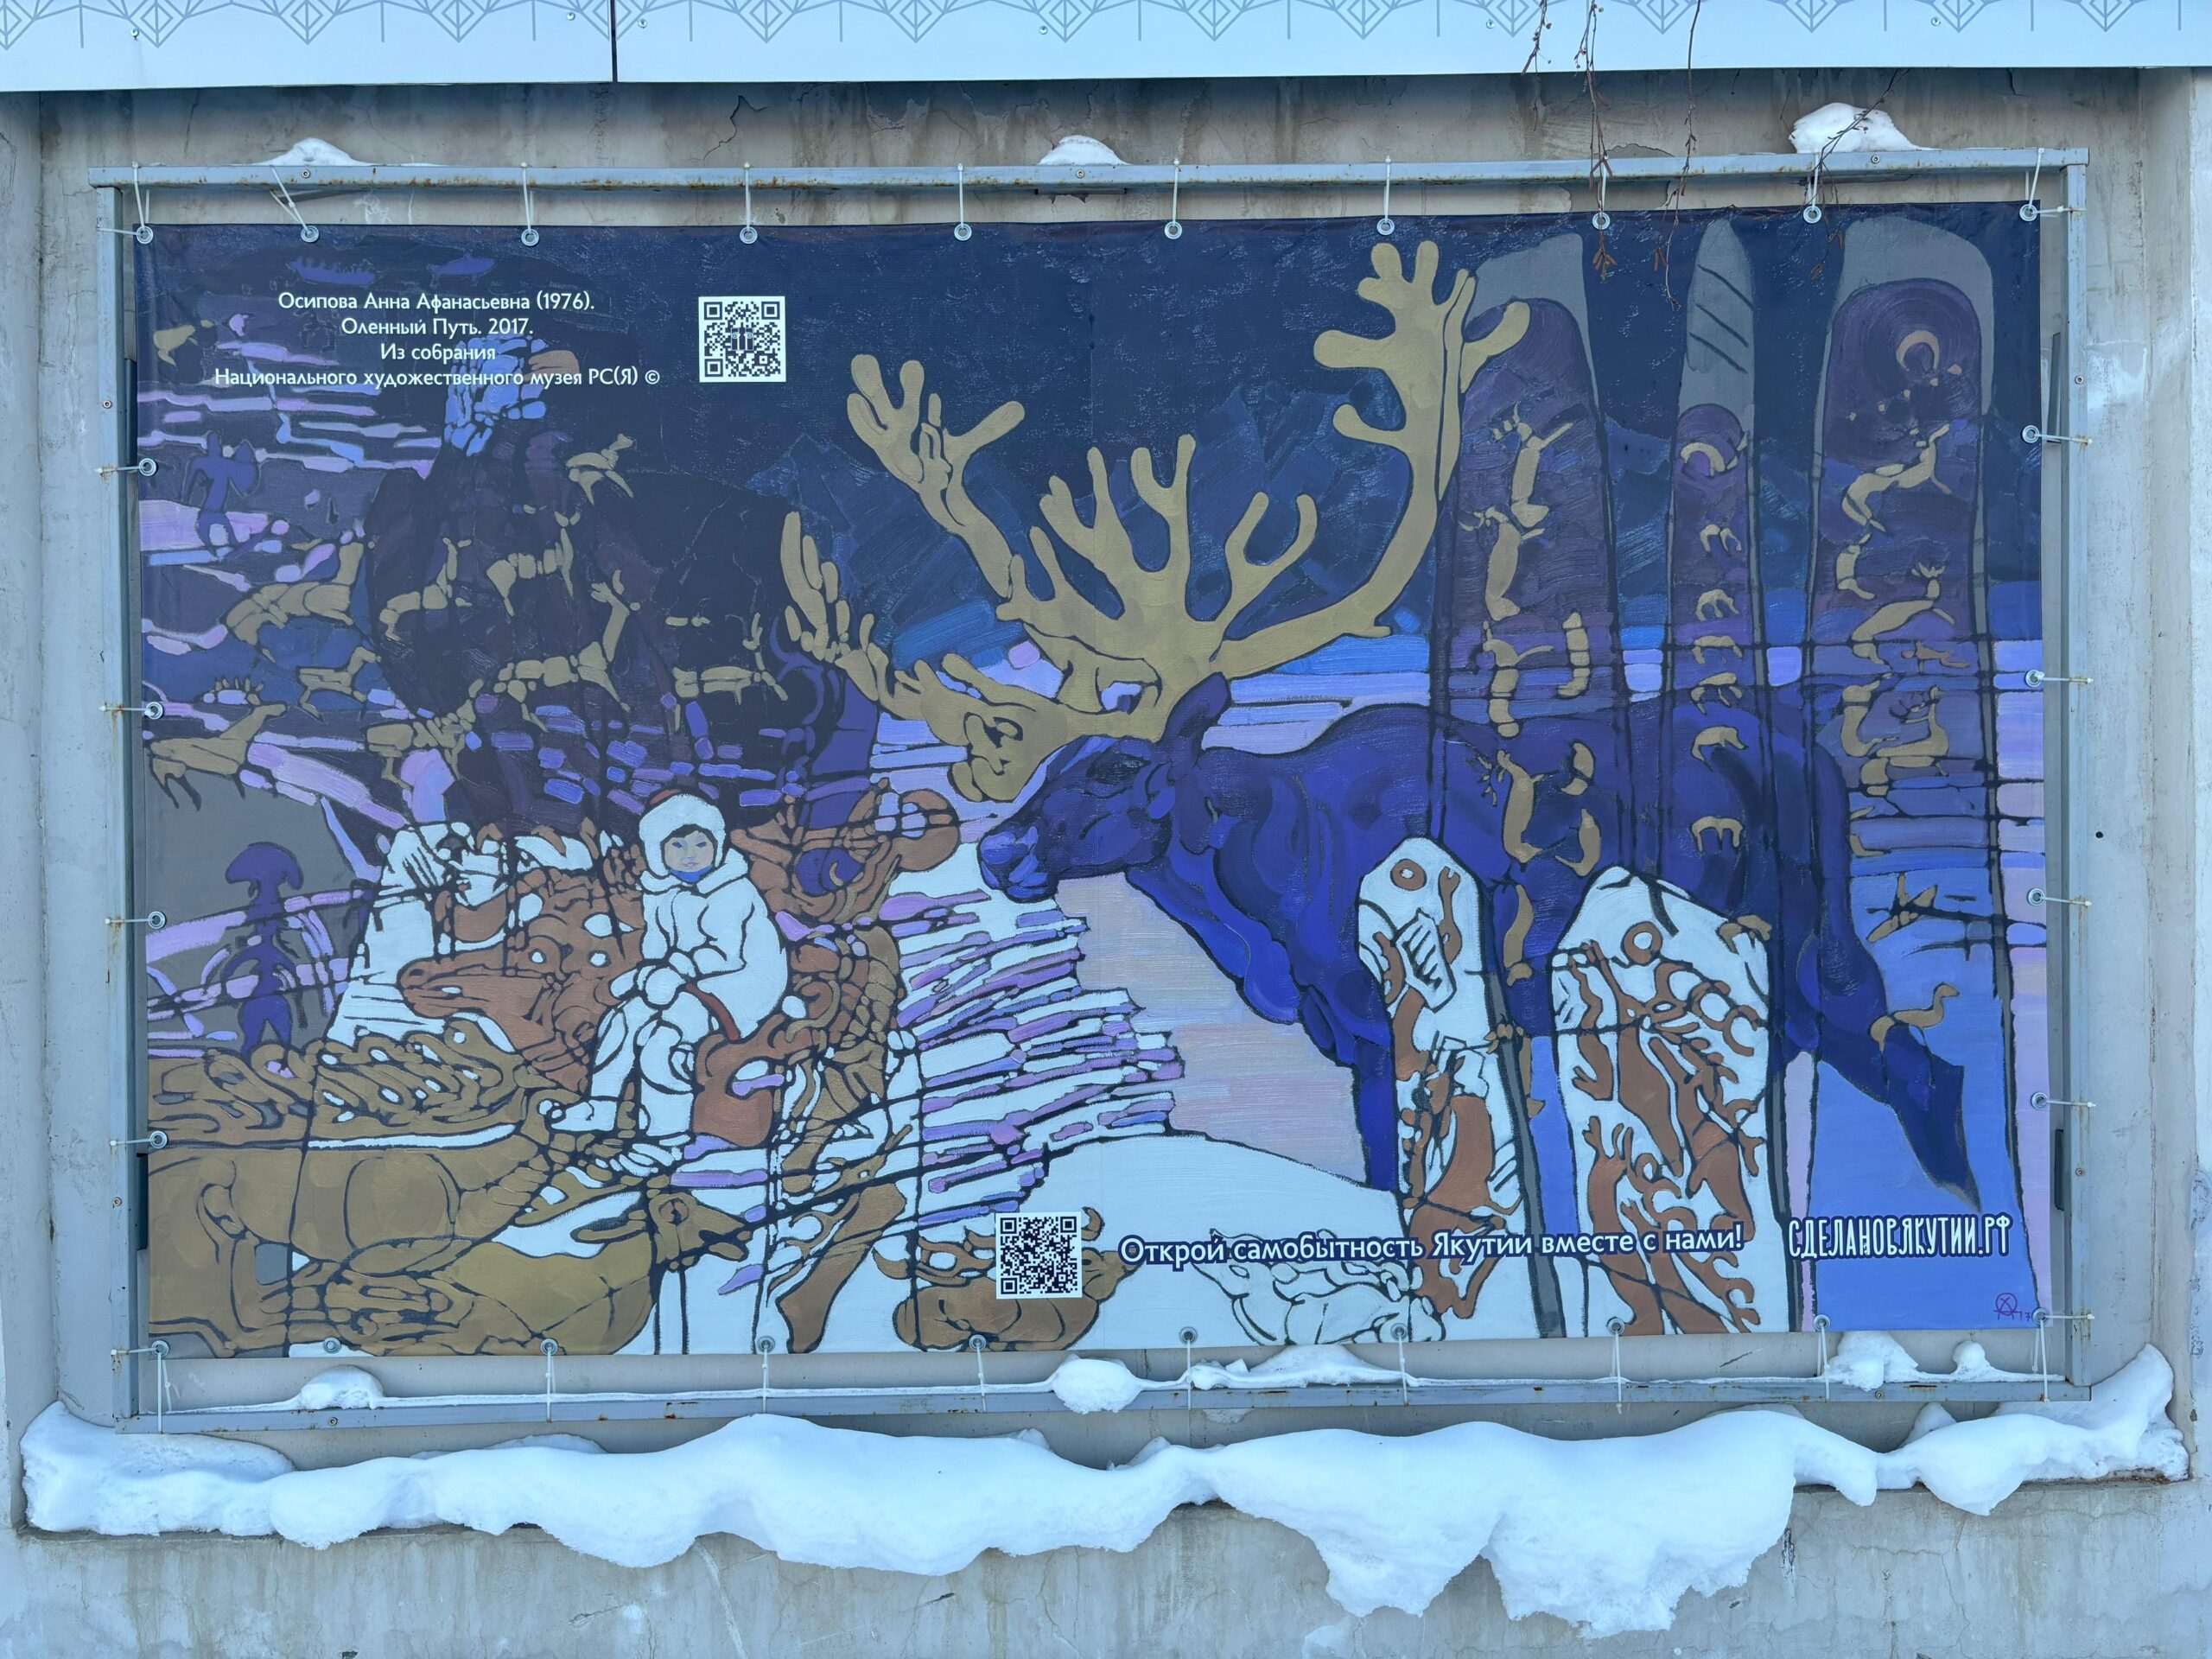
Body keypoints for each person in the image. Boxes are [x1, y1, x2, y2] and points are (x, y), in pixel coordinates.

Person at [568, 790, 788, 1175]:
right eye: (678, 845)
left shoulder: (732, 889)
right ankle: (600, 1107)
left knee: (664, 1037)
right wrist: (647, 976)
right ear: (658, 851)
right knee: (624, 1017)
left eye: (701, 843)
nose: (691, 854)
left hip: (741, 984)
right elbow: (659, 945)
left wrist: (671, 973)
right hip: (684, 978)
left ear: (717, 844)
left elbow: (725, 954)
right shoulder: (661, 889)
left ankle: (664, 1140)